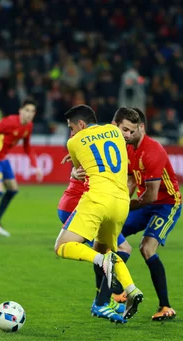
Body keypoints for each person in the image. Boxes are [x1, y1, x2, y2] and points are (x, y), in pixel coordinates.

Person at [54, 105, 143, 321]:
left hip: (96, 200)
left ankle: (101, 268)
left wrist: (74, 165)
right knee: (112, 251)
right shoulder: (115, 132)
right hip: (121, 203)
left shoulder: (74, 142)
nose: (71, 132)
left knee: (62, 247)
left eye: (72, 127)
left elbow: (81, 168)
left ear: (81, 125)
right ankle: (131, 290)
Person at [117, 107, 182, 321]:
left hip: (167, 203)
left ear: (142, 127)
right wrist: (122, 202)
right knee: (113, 234)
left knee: (146, 248)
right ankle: (119, 291)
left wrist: (125, 207)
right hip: (144, 202)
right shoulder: (128, 149)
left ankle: (165, 306)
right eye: (124, 130)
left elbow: (153, 196)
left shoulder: (153, 150)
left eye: (131, 130)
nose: (127, 134)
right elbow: (131, 180)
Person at [0, 99, 43, 240]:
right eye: (27, 110)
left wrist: (36, 166)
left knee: (12, 190)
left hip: (3, 159)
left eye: (32, 111)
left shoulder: (28, 126)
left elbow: (27, 147)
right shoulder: (9, 122)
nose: (29, 114)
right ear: (21, 111)